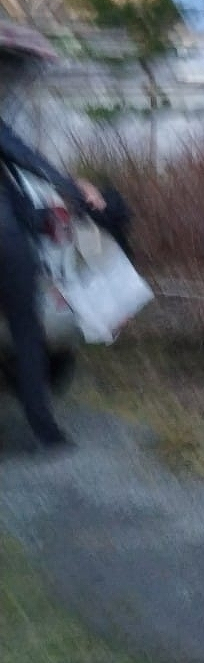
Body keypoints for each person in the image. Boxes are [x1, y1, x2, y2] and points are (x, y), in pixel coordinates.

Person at [0, 110, 105, 450]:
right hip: (9, 244)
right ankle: (46, 433)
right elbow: (25, 158)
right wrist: (71, 190)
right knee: (27, 333)